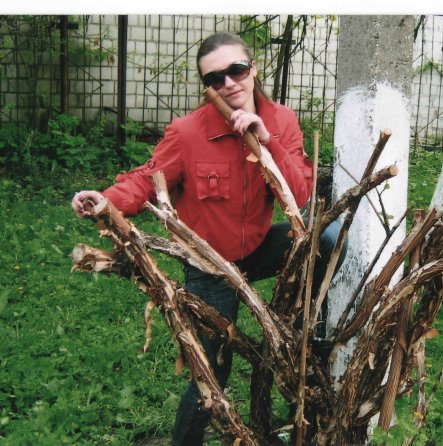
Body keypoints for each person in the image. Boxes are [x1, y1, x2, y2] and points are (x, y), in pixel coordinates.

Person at [71, 32, 347, 445]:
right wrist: (106, 200)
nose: (229, 83)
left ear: (253, 69)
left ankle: (306, 326)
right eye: (215, 78)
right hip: (208, 264)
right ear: (207, 86)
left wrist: (266, 141)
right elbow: (147, 180)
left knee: (327, 237)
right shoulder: (188, 132)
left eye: (236, 70)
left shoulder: (282, 121)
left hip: (255, 249)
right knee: (212, 371)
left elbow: (300, 194)